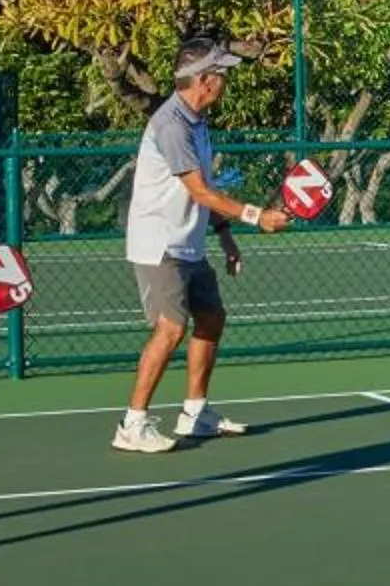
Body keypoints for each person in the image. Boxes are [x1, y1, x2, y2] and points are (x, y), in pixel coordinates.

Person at [114, 39, 288, 453]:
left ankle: (195, 414)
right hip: (160, 244)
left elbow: (204, 190)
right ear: (204, 80)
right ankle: (132, 424)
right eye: (221, 74)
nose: (225, 81)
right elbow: (199, 190)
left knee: (211, 317)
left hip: (189, 242)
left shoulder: (197, 122)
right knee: (171, 328)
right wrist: (256, 216)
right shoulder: (172, 125)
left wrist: (225, 235)